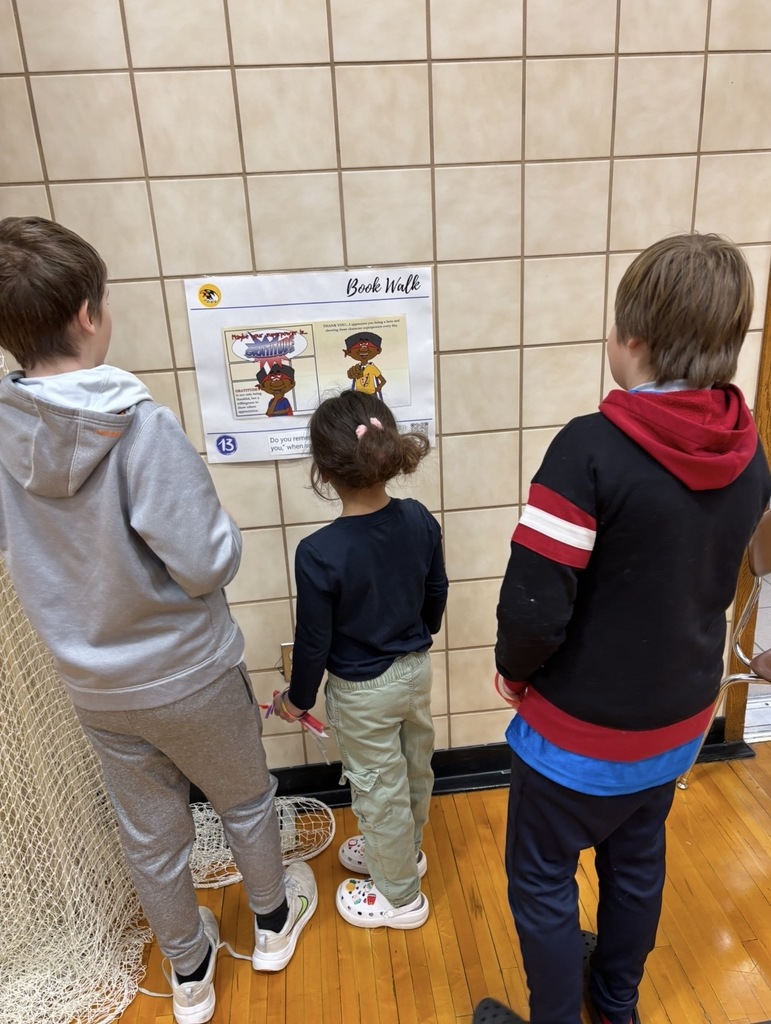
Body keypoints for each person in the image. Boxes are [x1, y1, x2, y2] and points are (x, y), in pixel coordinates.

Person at [0, 216, 317, 1024]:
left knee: (149, 833)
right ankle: (272, 926)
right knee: (243, 799)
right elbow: (205, 563)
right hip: (190, 671)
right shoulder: (139, 425)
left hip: (96, 688)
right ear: (88, 313)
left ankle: (189, 972)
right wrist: (225, 531)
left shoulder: (5, 432)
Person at [475, 233, 771, 1024]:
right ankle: (615, 1006)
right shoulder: (748, 451)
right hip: (678, 722)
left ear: (630, 339)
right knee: (635, 865)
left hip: (579, 733)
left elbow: (533, 606)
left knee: (542, 879)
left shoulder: (588, 450)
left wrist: (513, 671)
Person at [273, 389, 448, 928]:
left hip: (362, 692)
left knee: (378, 791)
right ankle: (404, 855)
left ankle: (400, 898)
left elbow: (313, 642)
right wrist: (418, 632)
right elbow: (437, 590)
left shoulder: (318, 552)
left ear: (324, 472)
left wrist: (296, 700)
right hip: (415, 671)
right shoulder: (419, 518)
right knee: (414, 768)